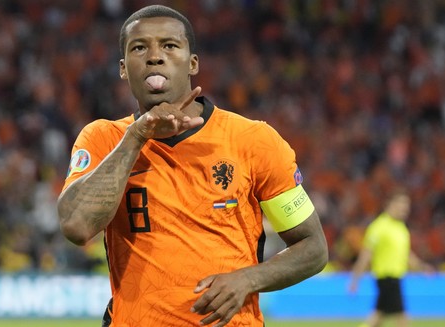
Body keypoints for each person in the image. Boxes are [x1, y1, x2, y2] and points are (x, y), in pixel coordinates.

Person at [57, 5, 328, 327]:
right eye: (139, 47)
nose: (155, 57)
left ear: (192, 63)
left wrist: (247, 279)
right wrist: (136, 138)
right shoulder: (104, 138)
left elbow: (313, 247)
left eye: (169, 46)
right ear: (123, 68)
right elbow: (76, 226)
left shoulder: (253, 140)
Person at [349, 190, 435, 327]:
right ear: (389, 204)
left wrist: (422, 267)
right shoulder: (378, 226)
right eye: (400, 204)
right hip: (386, 278)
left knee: (378, 318)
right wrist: (355, 280)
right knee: (402, 319)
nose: (404, 209)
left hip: (396, 278)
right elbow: (365, 255)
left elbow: (406, 256)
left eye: (406, 205)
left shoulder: (401, 228)